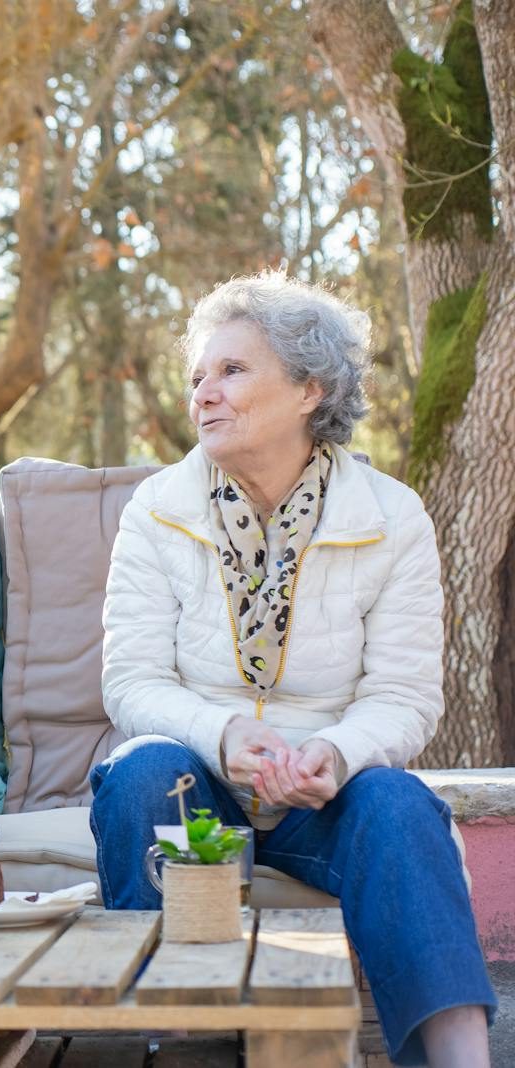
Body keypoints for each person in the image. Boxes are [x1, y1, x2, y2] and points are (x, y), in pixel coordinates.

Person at [92, 271, 495, 1067]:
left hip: (327, 798)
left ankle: (464, 1059)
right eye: (198, 376)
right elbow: (130, 683)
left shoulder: (391, 516)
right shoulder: (157, 508)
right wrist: (225, 733)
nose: (204, 393)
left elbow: (405, 696)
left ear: (311, 388)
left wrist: (336, 755)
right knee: (142, 771)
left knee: (400, 802)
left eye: (232, 371)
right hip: (199, 782)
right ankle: (171, 1045)